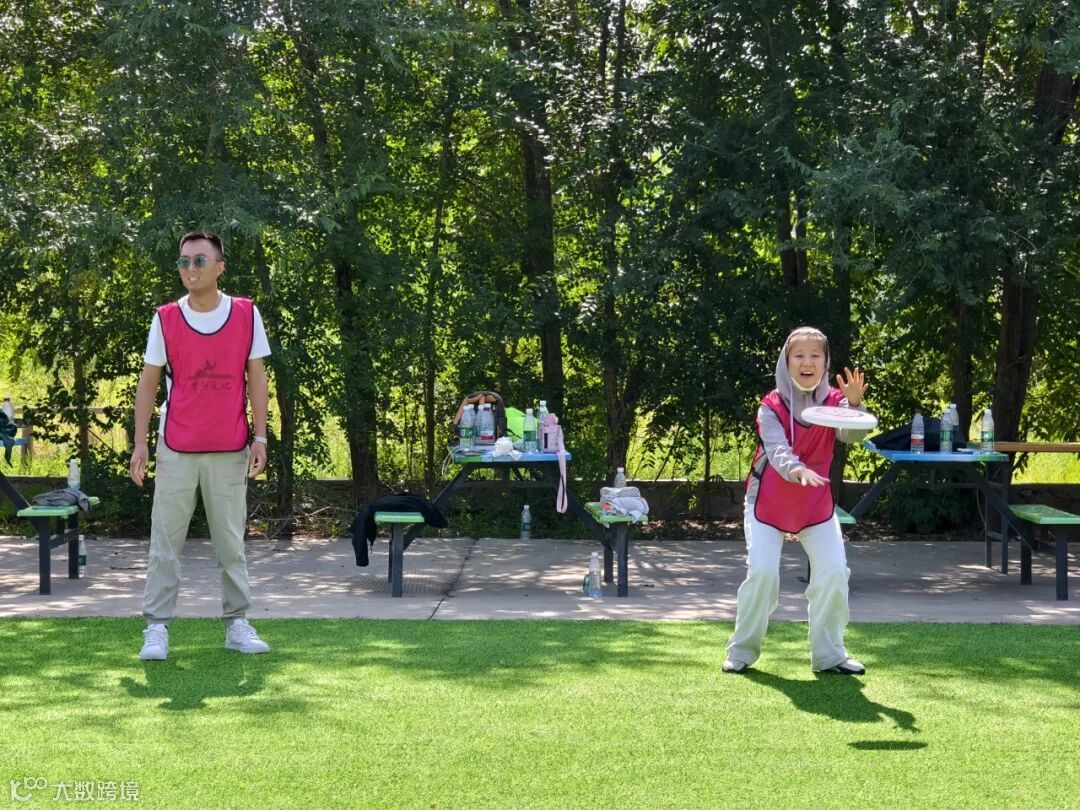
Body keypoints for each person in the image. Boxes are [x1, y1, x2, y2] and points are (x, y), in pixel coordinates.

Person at [130, 230, 271, 661]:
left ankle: (237, 623)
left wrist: (261, 436)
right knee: (165, 543)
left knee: (230, 543)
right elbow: (148, 383)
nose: (190, 269)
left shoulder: (246, 313)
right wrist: (140, 444)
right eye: (184, 262)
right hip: (176, 446)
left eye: (199, 261)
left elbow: (257, 377)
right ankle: (156, 628)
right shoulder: (165, 318)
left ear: (220, 267)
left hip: (230, 446)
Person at [723, 326, 870, 675]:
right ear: (786, 361)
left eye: (815, 355)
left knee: (834, 573)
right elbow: (776, 450)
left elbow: (852, 434)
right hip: (767, 503)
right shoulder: (770, 406)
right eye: (799, 355)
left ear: (825, 362)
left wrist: (854, 404)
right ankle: (742, 651)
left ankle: (830, 655)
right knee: (762, 574)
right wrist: (798, 470)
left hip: (815, 506)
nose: (807, 362)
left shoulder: (836, 401)